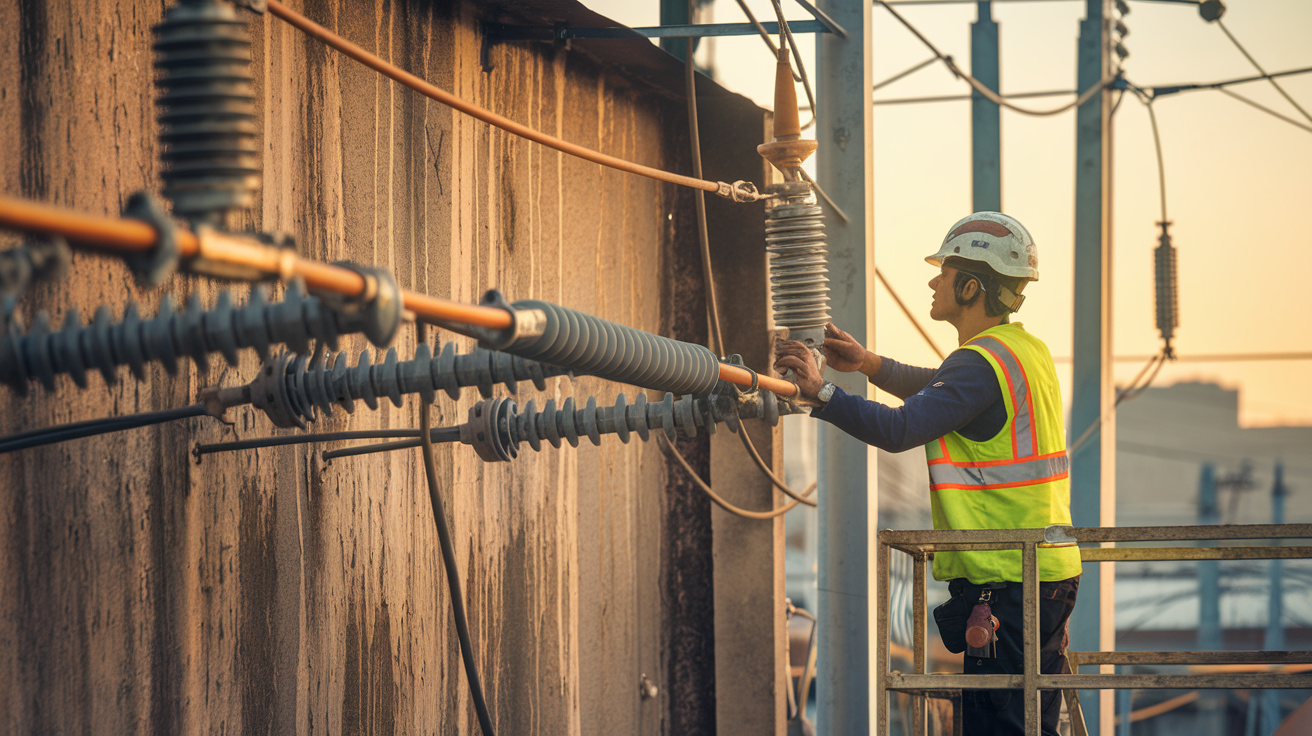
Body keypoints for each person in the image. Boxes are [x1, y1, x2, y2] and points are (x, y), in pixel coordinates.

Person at [774, 212, 1082, 736]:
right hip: (1044, 571)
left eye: (946, 272)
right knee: (1031, 723)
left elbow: (900, 429)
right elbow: (942, 386)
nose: (934, 281)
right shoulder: (1020, 352)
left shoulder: (979, 363)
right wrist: (869, 363)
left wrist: (821, 394)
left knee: (1003, 729)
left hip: (1008, 577)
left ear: (970, 286)